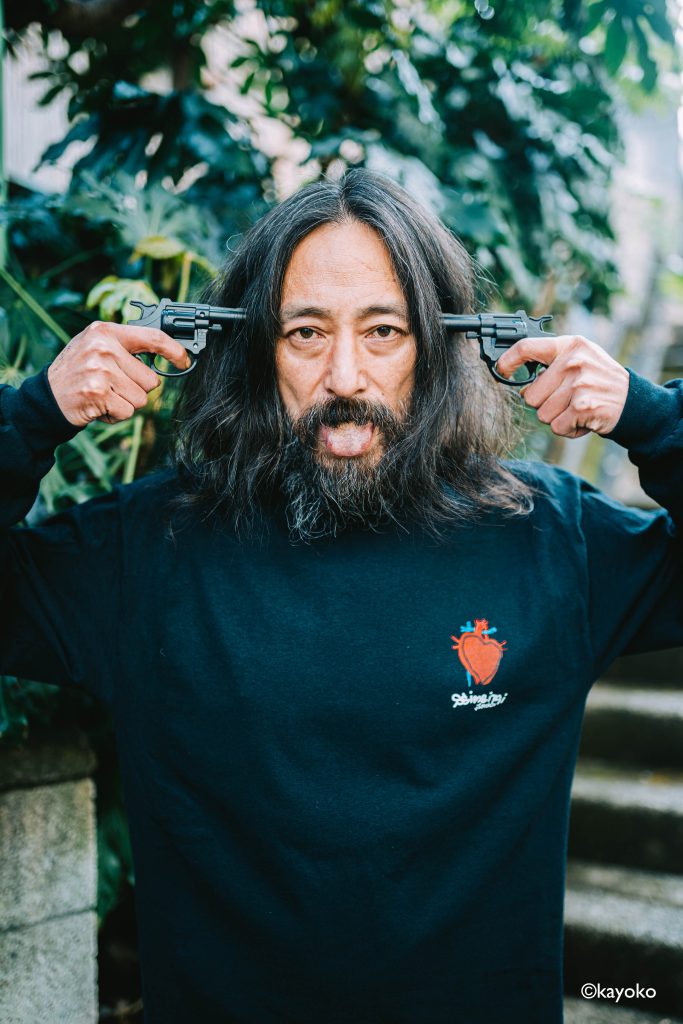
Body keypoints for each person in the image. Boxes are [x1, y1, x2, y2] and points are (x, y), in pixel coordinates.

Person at [1, 169, 681, 1024]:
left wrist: (654, 419)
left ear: (438, 345)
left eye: (384, 331)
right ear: (256, 349)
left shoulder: (549, 537)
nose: (344, 376)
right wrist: (32, 417)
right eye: (305, 333)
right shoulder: (149, 550)